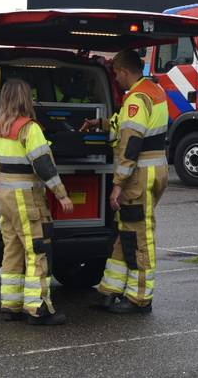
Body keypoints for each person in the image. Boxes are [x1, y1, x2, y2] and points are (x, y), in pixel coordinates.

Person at [81, 49, 169, 314]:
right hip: (152, 170)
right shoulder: (151, 91)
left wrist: (118, 184)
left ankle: (140, 298)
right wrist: (100, 123)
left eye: (115, 73)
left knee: (140, 236)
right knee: (127, 231)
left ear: (122, 70)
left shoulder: (137, 98)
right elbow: (126, 125)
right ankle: (110, 290)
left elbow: (131, 142)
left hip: (138, 174)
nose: (115, 79)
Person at [0, 78, 75, 325]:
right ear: (25, 99)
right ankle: (38, 309)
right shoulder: (29, 128)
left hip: (5, 196)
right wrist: (62, 194)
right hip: (27, 197)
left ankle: (10, 305)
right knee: (38, 250)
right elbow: (44, 166)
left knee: (12, 250)